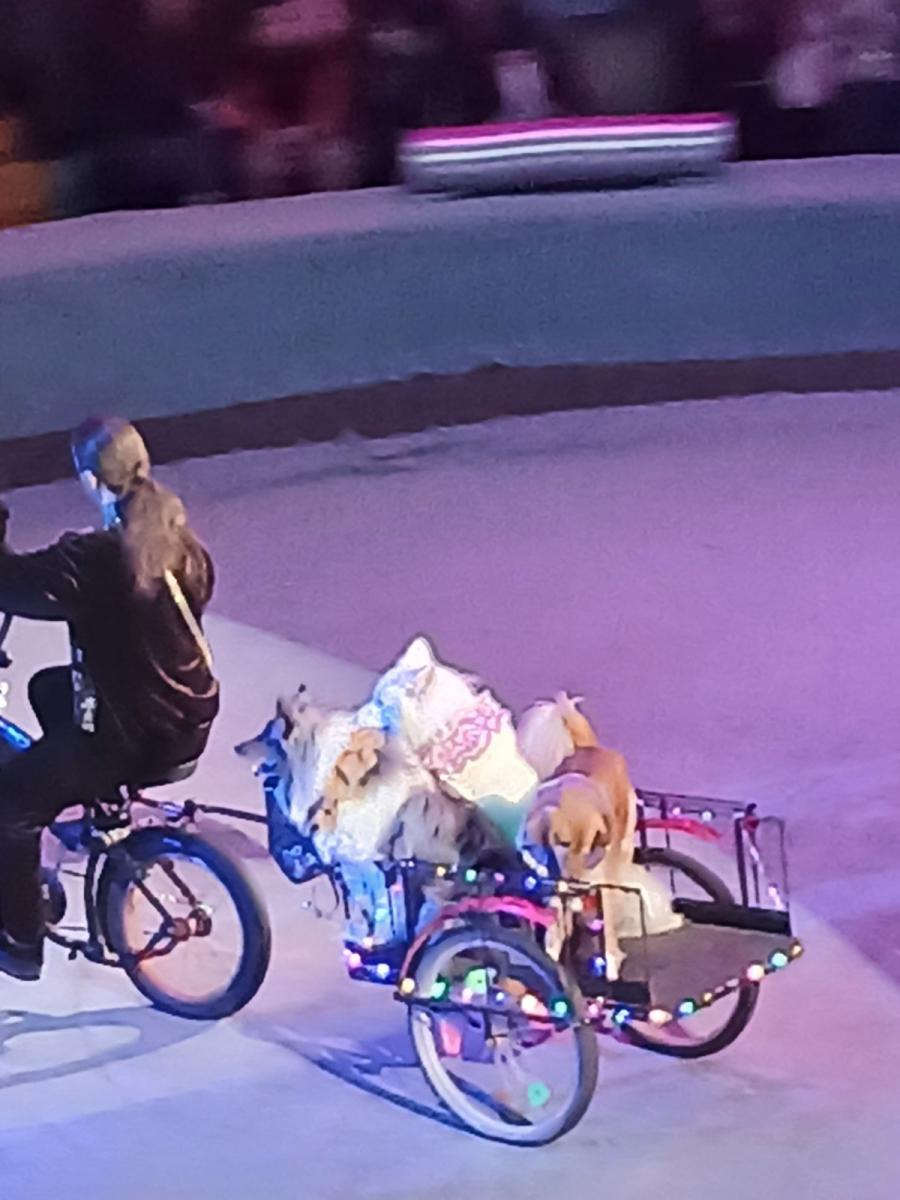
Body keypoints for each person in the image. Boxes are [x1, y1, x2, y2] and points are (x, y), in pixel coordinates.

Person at [0, 418, 219, 981]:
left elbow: (13, 584)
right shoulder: (180, 542)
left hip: (129, 736)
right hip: (184, 718)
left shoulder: (96, 560)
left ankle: (18, 941)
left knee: (10, 808)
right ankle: (101, 805)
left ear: (91, 481)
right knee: (48, 687)